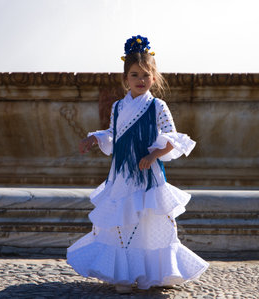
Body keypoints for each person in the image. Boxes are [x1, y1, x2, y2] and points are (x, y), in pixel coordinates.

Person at [67, 35, 209, 294]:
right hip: (122, 175)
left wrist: (153, 156)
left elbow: (172, 140)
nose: (140, 80)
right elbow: (113, 134)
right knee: (122, 222)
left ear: (154, 78)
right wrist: (94, 138)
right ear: (125, 79)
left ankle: (151, 273)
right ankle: (123, 274)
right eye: (134, 75)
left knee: (149, 221)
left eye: (146, 75)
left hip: (148, 175)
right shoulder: (118, 107)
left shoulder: (157, 106)